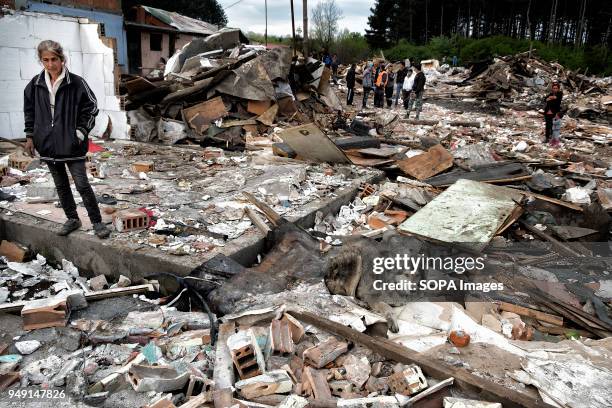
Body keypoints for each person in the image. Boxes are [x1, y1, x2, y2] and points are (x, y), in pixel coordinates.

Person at [23, 40, 111, 239]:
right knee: (61, 185)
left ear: (62, 59)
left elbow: (91, 107)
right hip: (47, 143)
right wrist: (30, 136)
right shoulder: (35, 84)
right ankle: (72, 218)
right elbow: (29, 111)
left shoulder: (76, 83)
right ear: (41, 61)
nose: (50, 64)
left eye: (54, 59)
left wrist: (80, 132)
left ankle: (97, 222)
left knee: (82, 184)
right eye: (45, 60)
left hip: (72, 144)